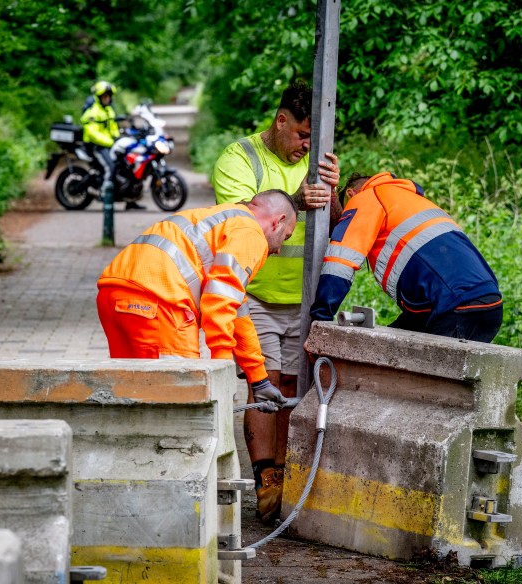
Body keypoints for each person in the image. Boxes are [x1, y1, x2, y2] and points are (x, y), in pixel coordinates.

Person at [211, 79, 340, 525]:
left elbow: (336, 222)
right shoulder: (239, 158)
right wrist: (300, 202)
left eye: (314, 137)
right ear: (280, 120)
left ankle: (287, 476)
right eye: (302, 134)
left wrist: (333, 194)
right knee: (262, 385)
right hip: (258, 295)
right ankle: (266, 479)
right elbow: (242, 219)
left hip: (305, 300)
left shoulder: (318, 161)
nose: (307, 145)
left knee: (293, 388)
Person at [97, 190, 299, 409]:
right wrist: (221, 372)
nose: (278, 249)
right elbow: (219, 304)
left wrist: (259, 380)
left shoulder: (222, 219)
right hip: (160, 302)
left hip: (113, 294)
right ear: (278, 221)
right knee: (178, 400)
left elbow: (236, 312)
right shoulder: (251, 234)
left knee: (132, 393)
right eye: (285, 237)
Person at [310, 172, 503, 342]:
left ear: (351, 194)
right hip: (487, 302)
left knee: (427, 382)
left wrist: (320, 320)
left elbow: (341, 262)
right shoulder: (409, 199)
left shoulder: (366, 198)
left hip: (456, 305)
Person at [81, 80, 144, 210]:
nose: (107, 99)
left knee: (127, 165)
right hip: (96, 146)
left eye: (109, 96)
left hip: (109, 144)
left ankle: (130, 199)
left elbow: (113, 127)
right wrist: (111, 142)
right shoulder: (93, 113)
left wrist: (118, 137)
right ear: (99, 97)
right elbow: (93, 134)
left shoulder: (109, 110)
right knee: (111, 167)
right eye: (105, 96)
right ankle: (105, 196)